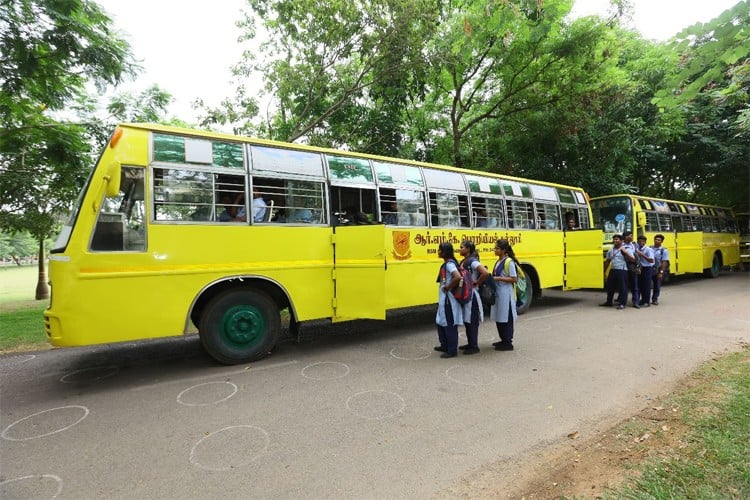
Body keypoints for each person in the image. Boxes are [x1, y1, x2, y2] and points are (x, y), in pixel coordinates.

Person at [458, 240, 490, 355]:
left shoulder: (472, 261)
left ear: (468, 249)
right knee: (467, 320)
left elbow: (485, 273)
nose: (459, 249)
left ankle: (474, 346)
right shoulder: (464, 260)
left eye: (462, 247)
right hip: (466, 294)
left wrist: (476, 283)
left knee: (472, 320)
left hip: (472, 295)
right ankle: (470, 343)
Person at [434, 242, 464, 358]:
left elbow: (457, 277)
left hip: (449, 299)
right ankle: (444, 344)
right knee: (441, 321)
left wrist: (448, 287)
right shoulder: (446, 264)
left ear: (445, 252)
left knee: (449, 323)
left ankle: (452, 350)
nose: (438, 252)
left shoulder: (449, 265)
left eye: (440, 250)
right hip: (444, 298)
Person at [490, 239, 518, 351]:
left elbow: (514, 279)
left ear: (504, 250)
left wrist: (498, 278)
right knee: (499, 316)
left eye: (497, 248)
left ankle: (508, 342)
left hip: (506, 293)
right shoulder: (498, 262)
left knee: (507, 317)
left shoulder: (509, 262)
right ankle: (503, 339)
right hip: (499, 292)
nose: (495, 250)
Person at [600, 234, 631, 309]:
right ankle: (609, 302)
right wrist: (604, 270)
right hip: (613, 270)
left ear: (621, 241)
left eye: (617, 239)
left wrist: (626, 253)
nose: (615, 241)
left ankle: (622, 303)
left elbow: (632, 259)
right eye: (614, 239)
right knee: (610, 287)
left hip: (622, 270)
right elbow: (608, 261)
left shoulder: (626, 249)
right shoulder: (611, 250)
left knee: (622, 288)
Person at [621, 230, 640, 308]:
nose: (632, 237)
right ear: (626, 237)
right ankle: (621, 302)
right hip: (624, 267)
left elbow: (637, 256)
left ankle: (636, 302)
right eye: (630, 236)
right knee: (623, 286)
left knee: (635, 286)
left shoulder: (634, 244)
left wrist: (638, 266)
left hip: (633, 267)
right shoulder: (621, 245)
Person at [635, 235, 655, 307]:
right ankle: (642, 300)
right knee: (640, 285)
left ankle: (647, 301)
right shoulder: (636, 249)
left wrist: (642, 254)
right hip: (640, 268)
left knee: (646, 285)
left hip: (647, 268)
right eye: (639, 241)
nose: (641, 243)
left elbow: (651, 260)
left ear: (645, 242)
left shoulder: (648, 249)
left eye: (643, 241)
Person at [651, 233, 670, 305]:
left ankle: (655, 299)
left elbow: (664, 262)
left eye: (659, 240)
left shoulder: (663, 251)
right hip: (650, 269)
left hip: (658, 269)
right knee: (646, 285)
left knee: (657, 285)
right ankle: (644, 299)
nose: (656, 241)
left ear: (662, 241)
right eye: (655, 239)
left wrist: (661, 272)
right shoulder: (650, 248)